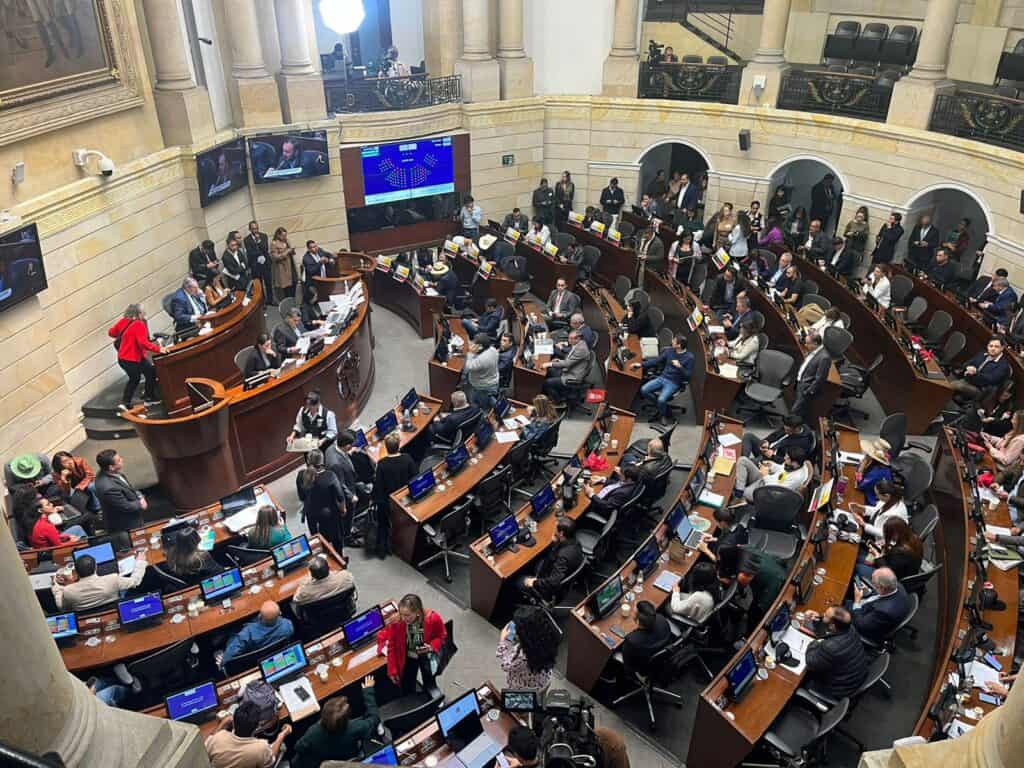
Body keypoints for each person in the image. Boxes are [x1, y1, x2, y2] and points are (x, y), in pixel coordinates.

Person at [292, 676, 379, 767]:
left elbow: (298, 747)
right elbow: (374, 718)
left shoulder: (313, 732)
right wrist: (368, 692)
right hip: (348, 759)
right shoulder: (356, 727)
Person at [377, 593, 447, 693]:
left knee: (429, 679)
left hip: (425, 655)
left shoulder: (433, 618)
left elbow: (441, 635)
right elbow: (391, 646)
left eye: (407, 615)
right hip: (408, 657)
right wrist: (392, 669)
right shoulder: (397, 622)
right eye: (401, 614)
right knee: (407, 683)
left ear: (417, 612)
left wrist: (431, 647)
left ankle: (431, 691)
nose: (403, 618)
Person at [801, 607, 868, 699]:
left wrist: (815, 642)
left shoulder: (830, 648)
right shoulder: (849, 628)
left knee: (801, 677)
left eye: (825, 615)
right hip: (853, 677)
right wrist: (817, 619)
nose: (823, 614)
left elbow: (810, 660)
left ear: (833, 626)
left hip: (838, 688)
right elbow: (830, 633)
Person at [52, 550, 149, 611]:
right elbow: (135, 581)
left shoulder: (68, 590)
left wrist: (56, 586)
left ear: (75, 572)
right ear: (96, 567)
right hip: (114, 612)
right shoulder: (112, 579)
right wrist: (140, 561)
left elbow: (61, 607)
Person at [205, 699, 291, 768]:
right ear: (257, 726)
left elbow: (209, 742)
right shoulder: (260, 747)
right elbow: (271, 760)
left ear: (234, 722)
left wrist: (223, 723)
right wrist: (281, 735)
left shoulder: (218, 738)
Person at [109, 304, 165, 410]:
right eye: (143, 312)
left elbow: (111, 332)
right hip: (133, 359)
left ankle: (146, 397)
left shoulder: (123, 321)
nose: (145, 314)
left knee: (147, 373)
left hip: (123, 359)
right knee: (138, 377)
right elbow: (143, 343)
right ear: (138, 314)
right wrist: (159, 349)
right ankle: (130, 402)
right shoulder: (139, 324)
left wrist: (126, 337)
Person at [372, 432, 417, 557]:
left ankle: (382, 549)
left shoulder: (382, 464)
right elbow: (415, 476)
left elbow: (379, 486)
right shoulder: (407, 458)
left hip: (387, 501)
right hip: (404, 498)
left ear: (386, 447)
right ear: (399, 445)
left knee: (382, 523)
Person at [633, 333, 693, 425]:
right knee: (644, 390)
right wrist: (641, 365)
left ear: (679, 345)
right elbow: (656, 360)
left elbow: (688, 376)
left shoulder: (689, 357)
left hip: (674, 382)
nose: (672, 341)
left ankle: (663, 415)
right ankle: (663, 407)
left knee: (661, 399)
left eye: (674, 341)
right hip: (663, 377)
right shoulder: (669, 351)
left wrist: (680, 367)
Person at [519, 516, 583, 601]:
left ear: (561, 533)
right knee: (538, 562)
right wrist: (556, 543)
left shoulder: (562, 557)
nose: (554, 530)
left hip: (547, 587)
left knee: (517, 580)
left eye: (555, 529)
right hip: (552, 569)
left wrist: (534, 582)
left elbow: (553, 582)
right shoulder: (576, 542)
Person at [296, 450, 347, 555]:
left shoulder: (301, 475)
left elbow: (301, 497)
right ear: (322, 461)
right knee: (336, 539)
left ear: (308, 461)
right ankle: (339, 558)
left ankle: (323, 558)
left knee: (317, 539)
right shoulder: (330, 476)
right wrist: (343, 509)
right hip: (330, 514)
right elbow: (340, 497)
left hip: (311, 514)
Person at [497, 606, 558, 691]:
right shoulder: (548, 638)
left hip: (524, 689)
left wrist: (503, 640)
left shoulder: (522, 656)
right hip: (543, 682)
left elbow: (506, 666)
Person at [219, 601, 294, 669]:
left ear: (259, 616)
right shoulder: (288, 625)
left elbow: (228, 658)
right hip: (272, 655)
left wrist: (222, 663)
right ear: (280, 613)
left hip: (250, 660)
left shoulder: (247, 633)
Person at [850, 567, 913, 644]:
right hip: (870, 605)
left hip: (862, 618)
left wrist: (857, 601)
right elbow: (880, 595)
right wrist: (868, 591)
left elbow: (861, 624)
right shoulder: (897, 586)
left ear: (881, 588)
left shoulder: (883, 612)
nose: (872, 583)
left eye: (873, 583)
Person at [95, 449, 148, 534]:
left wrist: (140, 496)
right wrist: (140, 503)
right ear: (111, 467)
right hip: (125, 525)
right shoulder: (108, 488)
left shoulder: (109, 472)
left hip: (131, 516)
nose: (122, 460)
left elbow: (129, 487)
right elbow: (125, 506)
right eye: (119, 460)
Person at [735, 446, 810, 502]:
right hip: (765, 480)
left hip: (766, 492)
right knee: (743, 460)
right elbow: (782, 470)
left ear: (795, 463)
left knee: (742, 493)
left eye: (787, 459)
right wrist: (772, 466)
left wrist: (765, 475)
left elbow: (775, 491)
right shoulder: (794, 465)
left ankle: (739, 494)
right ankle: (739, 492)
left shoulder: (796, 478)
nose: (784, 459)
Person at [951, 337, 1011, 404]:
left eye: (996, 347)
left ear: (1002, 348)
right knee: (945, 380)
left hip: (981, 390)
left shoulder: (1003, 366)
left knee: (952, 385)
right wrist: (968, 367)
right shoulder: (983, 354)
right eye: (991, 346)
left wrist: (975, 373)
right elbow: (968, 363)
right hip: (968, 380)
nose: (993, 349)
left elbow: (991, 379)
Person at [852, 479, 908, 543]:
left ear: (886, 495)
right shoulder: (890, 499)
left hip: (880, 541)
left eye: (877, 494)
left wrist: (864, 524)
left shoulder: (895, 515)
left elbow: (885, 534)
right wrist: (863, 508)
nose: (876, 496)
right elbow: (877, 511)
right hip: (872, 527)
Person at [622, 601, 673, 670]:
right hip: (660, 658)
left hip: (643, 668)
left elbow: (628, 664)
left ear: (637, 620)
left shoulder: (631, 640)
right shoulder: (662, 619)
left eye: (633, 612)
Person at [741, 414, 815, 461]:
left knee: (749, 463)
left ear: (796, 429)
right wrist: (767, 441)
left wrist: (772, 456)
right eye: (784, 428)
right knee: (748, 436)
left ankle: (744, 462)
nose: (784, 431)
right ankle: (744, 458)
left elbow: (790, 461)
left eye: (787, 430)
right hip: (768, 449)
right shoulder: (788, 426)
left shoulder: (803, 443)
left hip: (774, 459)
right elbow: (775, 435)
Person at [542, 329, 589, 403]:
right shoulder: (579, 344)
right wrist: (559, 361)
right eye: (569, 338)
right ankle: (556, 391)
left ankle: (558, 401)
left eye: (571, 338)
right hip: (570, 369)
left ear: (578, 338)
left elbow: (567, 364)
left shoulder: (581, 349)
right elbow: (570, 360)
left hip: (573, 376)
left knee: (547, 383)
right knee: (550, 370)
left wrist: (549, 364)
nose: (569, 340)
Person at [21, 496, 86, 549]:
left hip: (48, 547)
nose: (52, 504)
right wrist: (72, 541)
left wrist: (68, 537)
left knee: (77, 528)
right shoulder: (46, 526)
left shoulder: (39, 520)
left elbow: (55, 536)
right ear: (40, 510)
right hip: (53, 553)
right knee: (83, 539)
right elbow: (58, 547)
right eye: (48, 504)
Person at [792, 329, 830, 418]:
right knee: (798, 410)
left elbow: (820, 379)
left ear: (815, 344)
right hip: (800, 383)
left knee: (795, 411)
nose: (805, 345)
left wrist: (809, 391)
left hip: (806, 389)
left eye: (808, 343)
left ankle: (790, 428)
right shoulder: (814, 351)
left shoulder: (824, 358)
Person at [51, 450, 101, 517]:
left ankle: (97, 508)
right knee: (68, 496)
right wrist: (64, 479)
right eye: (64, 462)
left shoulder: (79, 461)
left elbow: (90, 475)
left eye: (69, 459)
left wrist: (74, 470)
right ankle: (81, 513)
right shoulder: (56, 474)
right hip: (73, 488)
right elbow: (66, 491)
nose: (69, 462)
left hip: (85, 483)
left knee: (90, 487)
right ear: (59, 465)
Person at [463, 334, 500, 410]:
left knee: (482, 408)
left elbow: (469, 367)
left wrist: (470, 353)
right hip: (492, 383)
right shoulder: (493, 350)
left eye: (474, 343)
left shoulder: (482, 359)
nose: (471, 344)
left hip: (482, 387)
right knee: (489, 401)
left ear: (480, 346)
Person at [856, 438, 893, 506]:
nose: (866, 455)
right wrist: (863, 464)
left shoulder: (877, 473)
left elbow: (860, 486)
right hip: (869, 490)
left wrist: (860, 470)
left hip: (873, 500)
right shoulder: (874, 463)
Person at [244, 221, 272, 303]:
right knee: (259, 284)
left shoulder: (263, 236)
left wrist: (259, 241)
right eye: (253, 229)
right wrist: (259, 254)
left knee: (268, 282)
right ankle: (262, 301)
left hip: (265, 264)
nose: (255, 231)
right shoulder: (247, 239)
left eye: (256, 228)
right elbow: (249, 252)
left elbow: (265, 249)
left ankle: (270, 300)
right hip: (255, 265)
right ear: (250, 229)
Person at [270, 226, 297, 304]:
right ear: (278, 235)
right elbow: (274, 257)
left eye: (286, 235)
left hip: (291, 266)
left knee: (294, 284)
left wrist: (292, 251)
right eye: (283, 235)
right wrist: (287, 252)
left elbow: (291, 251)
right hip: (282, 268)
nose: (285, 237)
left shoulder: (287, 241)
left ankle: (293, 301)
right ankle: (288, 304)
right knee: (287, 288)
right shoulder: (274, 243)